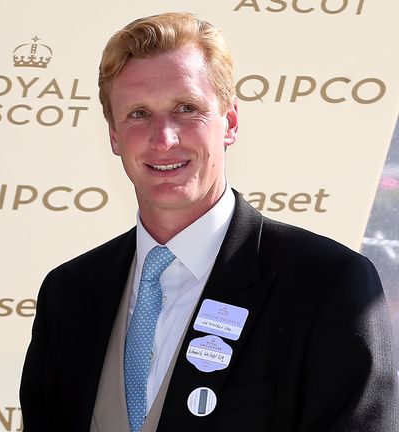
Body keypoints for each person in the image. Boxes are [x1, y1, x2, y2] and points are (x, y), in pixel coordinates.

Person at [20, 12, 398, 432]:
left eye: (187, 108)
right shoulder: (68, 294)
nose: (164, 138)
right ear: (113, 135)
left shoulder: (327, 284)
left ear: (230, 123)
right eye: (138, 114)